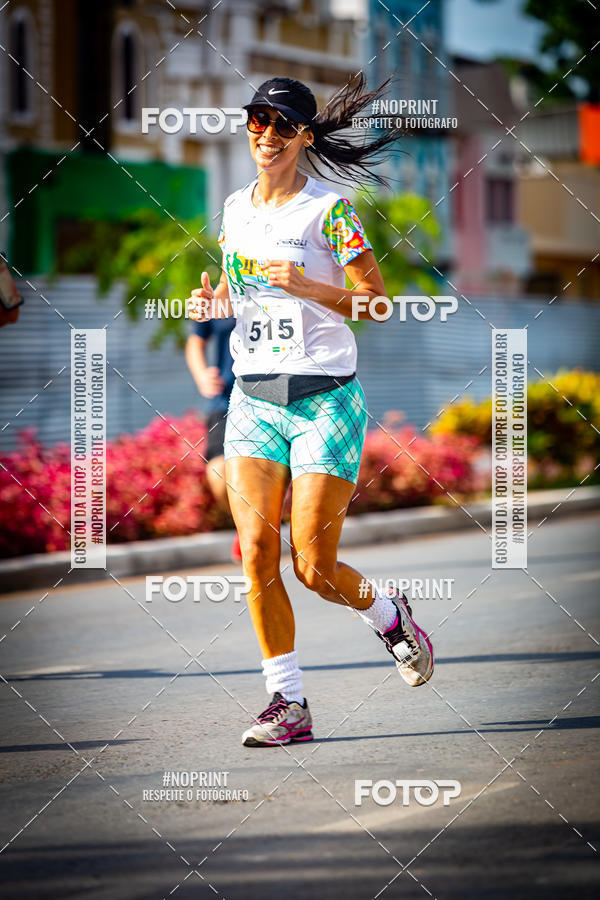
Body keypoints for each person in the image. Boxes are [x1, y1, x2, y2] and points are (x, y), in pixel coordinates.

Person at [188, 75, 433, 748]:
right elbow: (250, 303)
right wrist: (219, 308)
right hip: (253, 397)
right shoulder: (235, 210)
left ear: (302, 136)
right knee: (257, 553)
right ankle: (287, 703)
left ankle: (390, 618)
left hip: (325, 399)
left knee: (313, 566)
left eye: (277, 123)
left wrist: (312, 288)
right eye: (255, 121)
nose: (263, 133)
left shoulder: (333, 212)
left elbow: (378, 303)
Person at [185, 315, 241, 561]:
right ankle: (247, 525)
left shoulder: (274, 284)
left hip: (273, 396)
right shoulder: (218, 296)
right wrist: (201, 375)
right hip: (225, 401)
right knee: (218, 473)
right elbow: (195, 342)